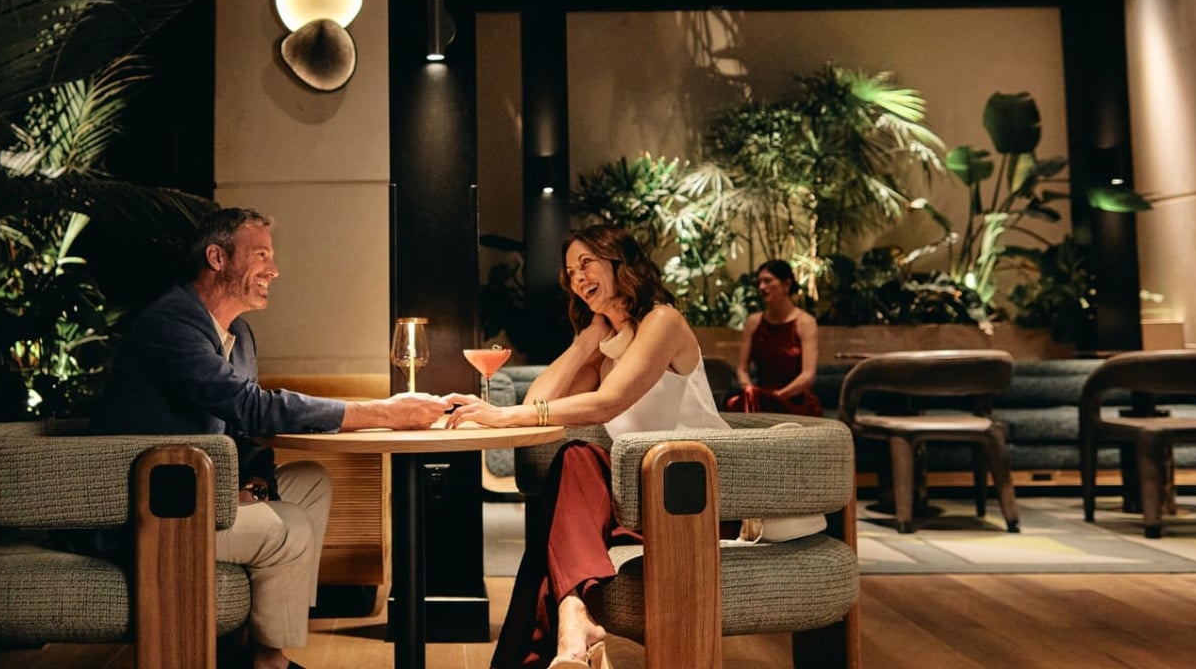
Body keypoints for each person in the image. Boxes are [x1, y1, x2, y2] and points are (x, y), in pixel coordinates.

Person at [91, 207, 446, 669]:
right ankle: (271, 665)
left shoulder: (238, 332)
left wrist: (255, 488)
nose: (274, 270)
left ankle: (261, 653)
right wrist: (380, 412)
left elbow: (246, 433)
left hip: (202, 495)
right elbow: (252, 406)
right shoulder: (170, 326)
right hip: (153, 509)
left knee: (312, 482)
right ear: (217, 258)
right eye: (260, 255)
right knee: (290, 530)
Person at [445, 224, 780, 669]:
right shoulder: (606, 346)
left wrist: (502, 415)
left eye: (587, 263)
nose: (578, 277)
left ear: (621, 263)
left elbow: (609, 401)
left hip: (693, 500)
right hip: (639, 498)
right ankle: (575, 621)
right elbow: (539, 401)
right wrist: (586, 341)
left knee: (557, 512)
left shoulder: (663, 322)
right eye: (570, 271)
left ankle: (565, 628)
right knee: (576, 456)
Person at [727, 259, 824, 417]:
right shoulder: (754, 322)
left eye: (768, 281)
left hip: (794, 401)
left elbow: (808, 375)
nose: (762, 287)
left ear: (786, 284)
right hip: (762, 400)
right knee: (733, 405)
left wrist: (779, 396)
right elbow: (742, 369)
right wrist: (750, 389)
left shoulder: (805, 322)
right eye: (760, 282)